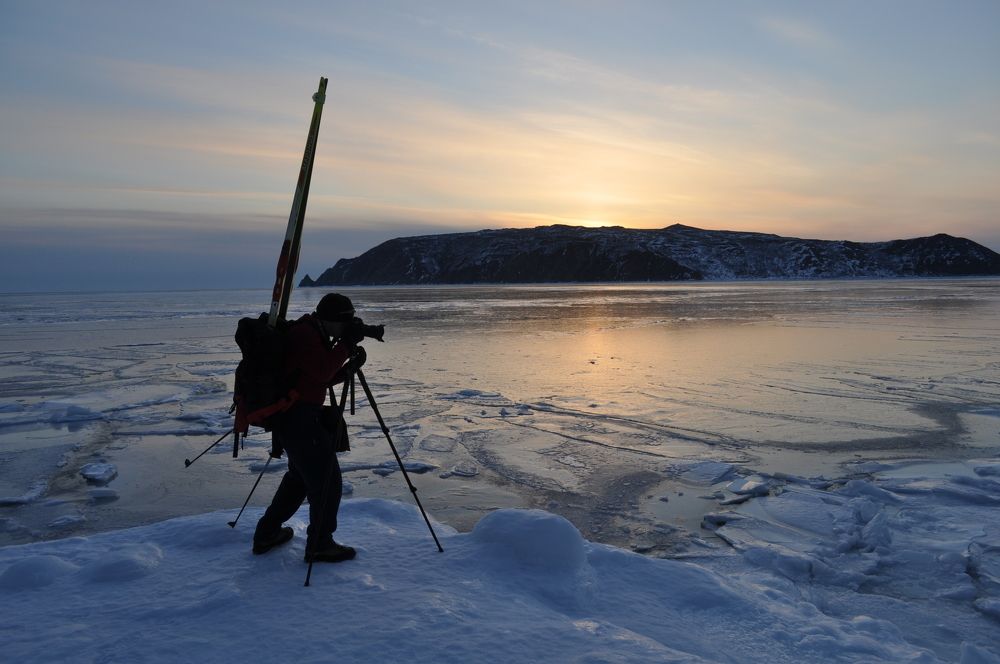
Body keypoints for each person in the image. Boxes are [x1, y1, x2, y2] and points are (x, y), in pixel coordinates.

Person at [251, 292, 364, 563]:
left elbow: (316, 378)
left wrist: (348, 368)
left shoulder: (313, 332)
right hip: (297, 420)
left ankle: (267, 532)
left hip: (296, 416)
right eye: (344, 324)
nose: (346, 330)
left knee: (299, 479)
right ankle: (320, 544)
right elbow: (322, 370)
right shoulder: (306, 336)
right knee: (327, 481)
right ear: (332, 320)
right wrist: (347, 346)